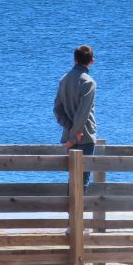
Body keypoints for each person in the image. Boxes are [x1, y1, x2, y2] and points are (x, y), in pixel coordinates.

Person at [54, 44, 97, 188]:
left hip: (69, 136)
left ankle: (70, 210)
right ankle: (77, 211)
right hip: (83, 137)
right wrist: (74, 137)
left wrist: (69, 129)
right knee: (82, 181)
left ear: (74, 60)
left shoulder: (63, 80)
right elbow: (82, 114)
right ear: (92, 61)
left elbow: (57, 110)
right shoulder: (88, 82)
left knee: (72, 179)